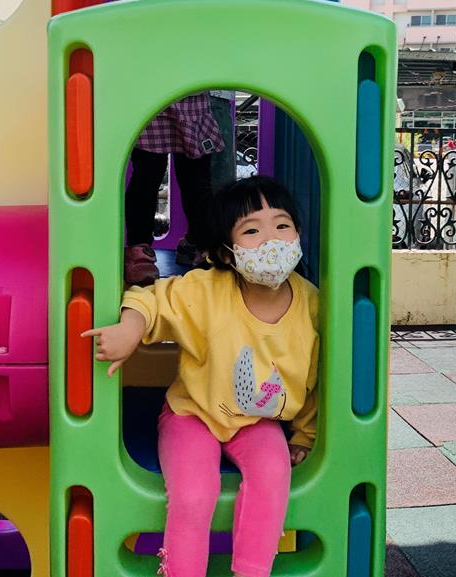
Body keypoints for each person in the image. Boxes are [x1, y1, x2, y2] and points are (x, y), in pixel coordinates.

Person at [84, 175, 319, 577]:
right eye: (252, 231)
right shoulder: (208, 290)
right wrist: (130, 329)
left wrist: (305, 435)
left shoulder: (313, 304)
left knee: (273, 473)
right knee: (194, 493)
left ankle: (251, 572)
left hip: (258, 421)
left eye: (282, 225)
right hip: (191, 414)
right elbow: (151, 298)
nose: (271, 240)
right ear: (227, 253)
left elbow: (316, 378)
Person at [106, 0, 246, 286]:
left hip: (194, 84)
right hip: (152, 83)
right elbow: (132, 10)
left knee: (197, 175)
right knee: (147, 173)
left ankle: (202, 243)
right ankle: (138, 247)